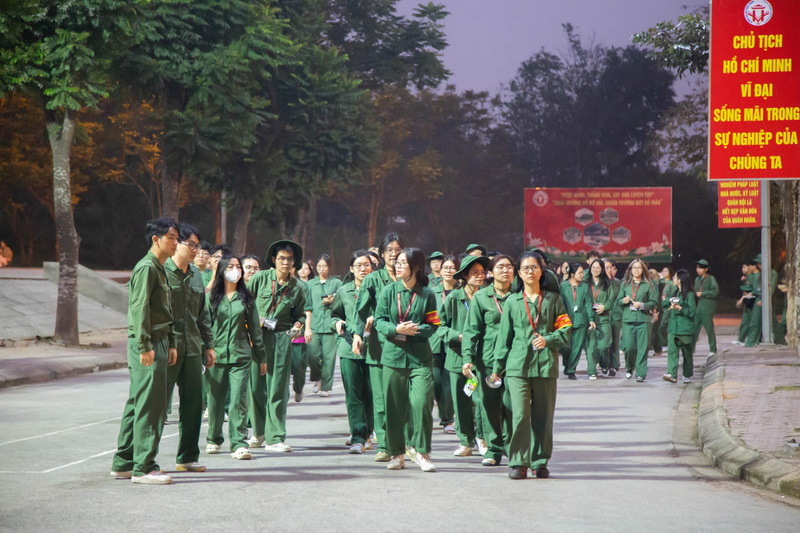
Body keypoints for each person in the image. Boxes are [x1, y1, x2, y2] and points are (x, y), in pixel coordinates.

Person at [110, 217, 179, 485]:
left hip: (158, 339)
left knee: (138, 402)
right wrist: (145, 346)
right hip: (148, 342)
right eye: (171, 238)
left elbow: (164, 310)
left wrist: (170, 342)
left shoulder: (159, 268)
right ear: (156, 240)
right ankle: (145, 467)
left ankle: (124, 463)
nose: (176, 243)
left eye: (177, 238)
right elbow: (139, 309)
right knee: (152, 405)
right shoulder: (147, 268)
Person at [491, 250, 572, 480]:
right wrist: (497, 369)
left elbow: (566, 329)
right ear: (519, 273)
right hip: (517, 367)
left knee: (543, 417)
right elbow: (504, 339)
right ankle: (518, 462)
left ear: (541, 271)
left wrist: (549, 339)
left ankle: (539, 461)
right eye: (525, 268)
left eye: (534, 267)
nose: (530, 272)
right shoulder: (512, 302)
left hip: (545, 366)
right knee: (519, 415)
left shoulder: (553, 300)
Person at [373, 247, 441, 472]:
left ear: (416, 267)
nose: (398, 265)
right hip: (393, 357)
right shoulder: (389, 291)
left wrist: (416, 330)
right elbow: (379, 321)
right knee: (394, 407)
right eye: (397, 262)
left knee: (422, 404)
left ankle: (422, 452)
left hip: (420, 358)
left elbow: (433, 325)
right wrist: (396, 329)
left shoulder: (428, 294)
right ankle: (397, 453)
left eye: (403, 262)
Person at [164, 223, 216, 474]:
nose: (196, 250)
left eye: (198, 245)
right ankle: (143, 460)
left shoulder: (195, 274)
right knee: (157, 405)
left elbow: (202, 313)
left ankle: (187, 457)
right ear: (177, 244)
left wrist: (209, 345)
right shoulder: (162, 270)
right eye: (191, 245)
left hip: (193, 347)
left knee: (194, 405)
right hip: (168, 348)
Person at [246, 240, 306, 452]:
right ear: (273, 259)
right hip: (256, 336)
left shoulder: (298, 287)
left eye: (289, 259)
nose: (285, 262)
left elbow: (300, 315)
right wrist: (253, 323)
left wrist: (297, 326)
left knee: (278, 388)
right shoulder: (260, 278)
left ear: (294, 262)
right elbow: (245, 303)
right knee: (255, 387)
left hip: (281, 337)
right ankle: (259, 432)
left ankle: (275, 437)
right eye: (281, 258)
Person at [206, 256, 268, 459]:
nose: (236, 270)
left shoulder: (247, 299)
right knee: (215, 400)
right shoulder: (211, 298)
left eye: (238, 266)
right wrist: (205, 350)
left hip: (241, 356)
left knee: (238, 400)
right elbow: (204, 327)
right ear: (222, 270)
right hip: (215, 356)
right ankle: (214, 439)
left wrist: (261, 358)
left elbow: (255, 331)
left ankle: (239, 443)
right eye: (231, 266)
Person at [353, 233, 404, 463]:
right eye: (389, 250)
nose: (394, 254)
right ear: (382, 254)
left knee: (402, 400)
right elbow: (361, 310)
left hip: (406, 348)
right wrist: (357, 334)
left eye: (398, 250)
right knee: (381, 400)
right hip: (379, 347)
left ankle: (403, 443)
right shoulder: (373, 279)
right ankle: (385, 445)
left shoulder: (410, 278)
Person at [462, 254, 516, 467]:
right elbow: (471, 330)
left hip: (514, 359)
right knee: (490, 405)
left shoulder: (519, 295)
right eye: (500, 267)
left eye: (509, 266)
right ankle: (493, 449)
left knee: (512, 405)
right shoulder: (481, 297)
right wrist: (468, 358)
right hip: (488, 362)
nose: (506, 270)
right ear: (490, 273)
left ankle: (513, 447)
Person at [438, 255, 490, 459]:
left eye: (482, 272)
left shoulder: (488, 297)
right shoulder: (454, 298)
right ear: (465, 276)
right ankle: (465, 441)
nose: (480, 276)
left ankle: (482, 438)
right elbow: (440, 326)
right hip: (458, 358)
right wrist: (458, 336)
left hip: (481, 357)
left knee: (481, 399)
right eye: (475, 273)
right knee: (462, 401)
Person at [330, 250, 375, 454]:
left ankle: (369, 432)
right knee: (353, 394)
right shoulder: (344, 291)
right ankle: (358, 436)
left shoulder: (378, 290)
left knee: (371, 394)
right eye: (359, 265)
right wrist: (337, 323)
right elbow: (334, 315)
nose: (363, 269)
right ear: (351, 269)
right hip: (349, 348)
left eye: (367, 265)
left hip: (374, 348)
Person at [305, 254, 342, 398]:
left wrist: (333, 300)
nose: (321, 269)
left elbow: (342, 300)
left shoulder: (337, 283)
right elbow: (307, 306)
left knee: (329, 358)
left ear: (329, 267)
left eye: (324, 266)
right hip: (313, 325)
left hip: (330, 327)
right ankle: (317, 378)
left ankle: (326, 387)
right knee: (312, 356)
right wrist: (307, 328)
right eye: (319, 266)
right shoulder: (310, 284)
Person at [430, 255, 458, 434]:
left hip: (453, 344)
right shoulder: (431, 292)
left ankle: (448, 419)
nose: (448, 271)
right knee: (436, 383)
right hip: (434, 342)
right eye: (445, 268)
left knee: (449, 385)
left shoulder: (461, 292)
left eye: (452, 267)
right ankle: (444, 413)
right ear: (440, 271)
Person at [618, 259, 658, 382]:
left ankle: (641, 373)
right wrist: (623, 300)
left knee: (642, 348)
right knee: (628, 347)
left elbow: (654, 302)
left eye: (639, 267)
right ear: (630, 270)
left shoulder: (649, 284)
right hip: (628, 320)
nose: (636, 270)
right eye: (634, 268)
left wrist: (642, 305)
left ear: (643, 270)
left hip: (643, 320)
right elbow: (618, 301)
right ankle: (629, 367)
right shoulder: (625, 284)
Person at [559, 262, 595, 380]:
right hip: (566, 321)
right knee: (565, 347)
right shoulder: (563, 286)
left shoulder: (584, 287)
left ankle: (571, 370)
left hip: (581, 321)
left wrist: (591, 319)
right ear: (572, 274)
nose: (582, 275)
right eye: (580, 273)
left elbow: (588, 303)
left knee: (577, 347)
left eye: (582, 273)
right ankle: (567, 364)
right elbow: (560, 303)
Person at [662, 269, 697, 384]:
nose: (673, 278)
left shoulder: (690, 295)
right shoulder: (674, 293)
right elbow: (664, 304)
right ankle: (672, 374)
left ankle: (687, 374)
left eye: (675, 277)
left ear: (680, 279)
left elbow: (692, 312)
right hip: (673, 327)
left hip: (686, 329)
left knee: (687, 353)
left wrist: (680, 308)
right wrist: (668, 301)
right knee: (672, 352)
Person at [290, 260, 316, 401]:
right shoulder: (272, 284)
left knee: (299, 365)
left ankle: (298, 387)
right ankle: (281, 395)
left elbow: (308, 309)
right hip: (278, 332)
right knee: (281, 367)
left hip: (297, 332)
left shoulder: (302, 286)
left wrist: (308, 329)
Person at [586, 259, 613, 379]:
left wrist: (605, 306)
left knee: (603, 347)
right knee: (591, 347)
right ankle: (592, 371)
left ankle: (604, 364)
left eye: (598, 267)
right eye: (593, 267)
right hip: (590, 319)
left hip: (603, 319)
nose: (595, 270)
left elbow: (612, 301)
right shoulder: (585, 283)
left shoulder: (607, 284)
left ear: (602, 269)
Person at [693, 259, 718, 355]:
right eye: (697, 268)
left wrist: (703, 293)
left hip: (707, 308)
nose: (698, 270)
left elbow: (715, 291)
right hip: (698, 308)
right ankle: (691, 349)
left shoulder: (711, 279)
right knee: (694, 329)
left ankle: (712, 349)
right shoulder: (697, 279)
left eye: (700, 268)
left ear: (706, 269)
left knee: (709, 330)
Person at [603, 259, 623, 376]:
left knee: (615, 342)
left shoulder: (617, 282)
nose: (609, 270)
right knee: (605, 343)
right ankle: (604, 363)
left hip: (615, 314)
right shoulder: (598, 283)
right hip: (603, 316)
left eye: (611, 267)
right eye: (606, 267)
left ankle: (614, 366)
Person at [732, 262, 755, 346]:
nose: (743, 269)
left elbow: (752, 290)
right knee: (745, 321)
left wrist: (742, 299)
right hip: (747, 301)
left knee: (749, 321)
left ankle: (748, 340)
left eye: (744, 267)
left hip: (751, 301)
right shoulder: (747, 277)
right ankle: (741, 339)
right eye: (742, 267)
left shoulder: (752, 277)